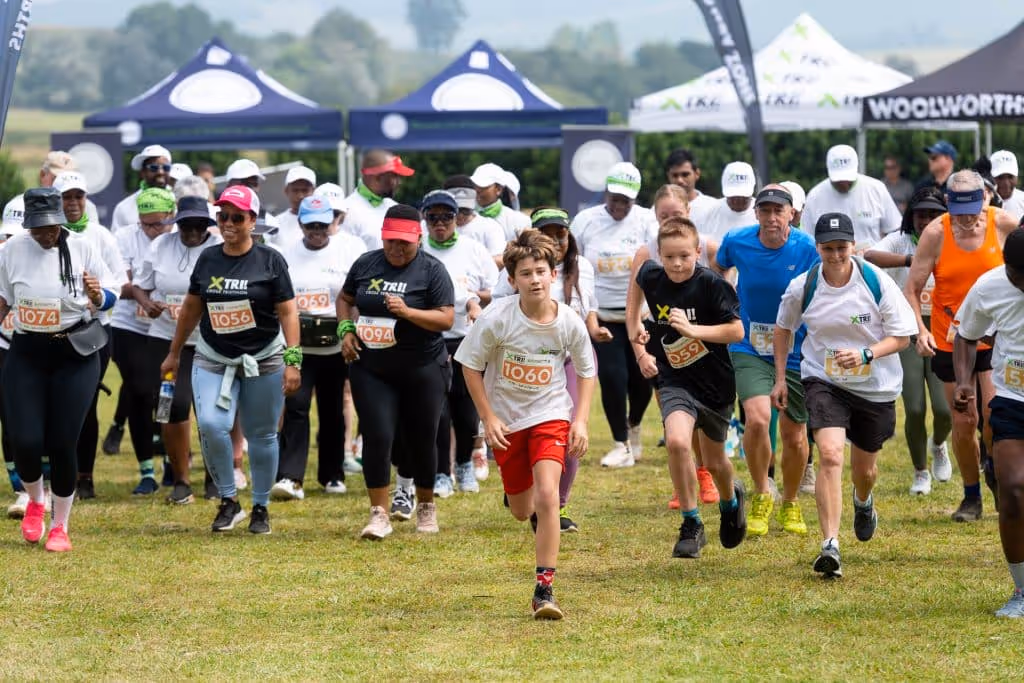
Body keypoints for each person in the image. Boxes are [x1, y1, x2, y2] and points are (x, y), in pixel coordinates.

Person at [456, 229, 596, 620]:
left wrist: (580, 421)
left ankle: (544, 589)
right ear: (513, 280)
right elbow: (469, 365)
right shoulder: (496, 318)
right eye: (525, 273)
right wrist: (488, 416)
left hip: (550, 414)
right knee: (522, 509)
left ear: (554, 274)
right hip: (507, 421)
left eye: (540, 271)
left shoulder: (568, 321)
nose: (534, 279)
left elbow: (586, 371)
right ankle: (519, 489)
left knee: (549, 497)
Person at [773, 212, 917, 578]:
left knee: (864, 471)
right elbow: (782, 329)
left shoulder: (876, 281)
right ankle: (830, 545)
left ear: (854, 247)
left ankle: (863, 500)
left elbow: (903, 336)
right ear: (818, 248)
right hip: (824, 380)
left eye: (842, 247)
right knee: (831, 454)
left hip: (875, 385)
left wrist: (867, 354)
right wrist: (778, 379)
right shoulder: (803, 285)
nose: (835, 255)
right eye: (827, 248)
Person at [161, 185, 301, 535]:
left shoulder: (271, 260)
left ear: (253, 221)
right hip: (212, 356)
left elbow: (288, 311)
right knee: (210, 425)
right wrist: (175, 352)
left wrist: (293, 358)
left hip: (264, 358)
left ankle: (261, 506)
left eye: (237, 217)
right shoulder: (208, 258)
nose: (228, 223)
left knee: (262, 435)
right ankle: (228, 500)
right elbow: (192, 307)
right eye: (223, 216)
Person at [0, 187, 119, 552]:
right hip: (26, 353)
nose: (46, 234)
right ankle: (36, 499)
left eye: (51, 227)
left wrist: (98, 295)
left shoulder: (83, 245)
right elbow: (4, 299)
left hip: (75, 353)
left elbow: (111, 294)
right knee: (25, 439)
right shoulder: (11, 250)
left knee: (63, 441)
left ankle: (60, 525)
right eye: (38, 228)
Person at [627, 217, 747, 559]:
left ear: (697, 251)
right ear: (660, 256)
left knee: (715, 460)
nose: (677, 264)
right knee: (678, 442)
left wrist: (695, 331)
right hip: (674, 378)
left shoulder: (712, 284)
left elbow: (737, 332)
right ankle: (691, 523)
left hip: (714, 383)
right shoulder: (652, 274)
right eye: (669, 257)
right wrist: (636, 324)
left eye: (684, 256)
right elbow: (637, 282)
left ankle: (730, 501)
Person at [904, 170, 1019, 521]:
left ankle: (997, 473)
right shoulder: (936, 234)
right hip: (951, 339)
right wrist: (919, 330)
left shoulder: (1003, 225)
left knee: (991, 420)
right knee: (964, 420)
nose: (967, 220)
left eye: (973, 212)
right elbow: (912, 288)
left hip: (995, 339)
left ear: (984, 200)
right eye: (959, 213)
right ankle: (971, 497)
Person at [338, 204, 454, 538]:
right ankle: (379, 514)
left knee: (422, 439)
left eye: (404, 242)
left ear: (418, 237)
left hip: (422, 367)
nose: (396, 249)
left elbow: (445, 318)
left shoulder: (432, 270)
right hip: (372, 367)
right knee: (377, 436)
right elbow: (345, 298)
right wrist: (346, 328)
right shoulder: (366, 264)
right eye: (390, 241)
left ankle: (426, 506)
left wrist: (408, 312)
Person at [714, 186, 820, 537]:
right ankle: (762, 491)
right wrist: (723, 303)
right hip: (748, 346)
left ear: (792, 213)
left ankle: (790, 502)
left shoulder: (807, 248)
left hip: (796, 349)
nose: (772, 218)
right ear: (756, 214)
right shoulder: (737, 241)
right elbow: (717, 270)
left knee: (794, 434)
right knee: (758, 419)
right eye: (765, 211)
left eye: (779, 211)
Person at [494, 208, 600, 531]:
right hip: (525, 360)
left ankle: (554, 505)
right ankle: (527, 488)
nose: (555, 240)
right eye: (547, 233)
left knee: (569, 434)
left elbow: (587, 308)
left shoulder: (582, 267)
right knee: (526, 436)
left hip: (568, 356)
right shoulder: (517, 271)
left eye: (561, 234)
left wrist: (595, 330)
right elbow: (497, 310)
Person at [625, 184, 720, 506]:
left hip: (707, 346)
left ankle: (707, 473)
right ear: (654, 216)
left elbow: (730, 292)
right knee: (676, 416)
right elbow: (633, 311)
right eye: (663, 216)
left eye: (676, 214)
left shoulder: (708, 248)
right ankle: (686, 480)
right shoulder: (645, 253)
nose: (669, 221)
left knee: (705, 420)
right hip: (664, 345)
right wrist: (640, 353)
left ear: (689, 212)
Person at [272, 196, 365, 501]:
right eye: (311, 224)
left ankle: (332, 475)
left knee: (332, 411)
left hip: (335, 345)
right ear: (300, 223)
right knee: (296, 406)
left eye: (323, 224)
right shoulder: (286, 254)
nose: (317, 230)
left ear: (332, 223)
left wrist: (350, 333)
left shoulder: (347, 251)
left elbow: (352, 298)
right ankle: (290, 477)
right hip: (300, 344)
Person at [132, 195, 223, 505]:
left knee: (212, 412)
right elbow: (139, 286)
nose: (193, 231)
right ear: (176, 223)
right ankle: (180, 479)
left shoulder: (219, 248)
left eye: (200, 225)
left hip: (212, 343)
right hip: (166, 342)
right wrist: (147, 304)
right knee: (170, 406)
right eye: (186, 224)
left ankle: (216, 478)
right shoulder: (160, 247)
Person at [953, 228, 1024, 617]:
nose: (1020, 284)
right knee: (1012, 491)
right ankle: (1021, 590)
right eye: (1015, 275)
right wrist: (964, 381)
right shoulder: (990, 286)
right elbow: (966, 335)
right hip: (1013, 398)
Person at [865, 187, 952, 494]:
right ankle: (920, 471)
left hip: (942, 330)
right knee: (914, 408)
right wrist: (908, 260)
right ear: (911, 216)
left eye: (933, 214)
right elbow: (870, 255)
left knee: (945, 409)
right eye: (921, 214)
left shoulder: (951, 239)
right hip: (908, 329)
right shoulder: (901, 239)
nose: (926, 220)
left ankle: (939, 444)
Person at [571, 162, 657, 468]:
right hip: (602, 314)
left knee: (642, 379)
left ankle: (634, 423)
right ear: (605, 192)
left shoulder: (647, 220)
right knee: (612, 377)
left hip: (641, 314)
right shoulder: (585, 221)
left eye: (626, 200)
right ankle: (620, 443)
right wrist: (582, 311)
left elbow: (657, 261)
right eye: (614, 197)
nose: (619, 205)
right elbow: (574, 264)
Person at [52, 171, 126, 500]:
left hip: (92, 331)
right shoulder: (43, 235)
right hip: (48, 331)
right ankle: (49, 470)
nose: (73, 203)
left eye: (78, 196)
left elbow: (118, 283)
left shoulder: (100, 236)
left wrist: (99, 298)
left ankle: (85, 475)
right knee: (48, 404)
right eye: (66, 197)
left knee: (87, 403)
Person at [419, 190, 496, 498]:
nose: (440, 223)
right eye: (433, 217)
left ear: (457, 218)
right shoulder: (419, 251)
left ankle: (464, 462)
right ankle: (441, 472)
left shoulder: (473, 250)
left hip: (467, 338)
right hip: (430, 339)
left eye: (447, 217)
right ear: (424, 219)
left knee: (465, 410)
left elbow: (495, 290)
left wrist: (473, 299)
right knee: (438, 411)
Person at [112, 188, 176, 495]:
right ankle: (146, 470)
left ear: (171, 216)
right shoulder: (124, 238)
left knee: (167, 396)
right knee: (139, 392)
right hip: (130, 325)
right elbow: (120, 283)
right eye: (146, 225)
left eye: (158, 225)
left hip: (168, 327)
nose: (152, 231)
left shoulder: (178, 237)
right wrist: (144, 296)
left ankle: (170, 459)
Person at [801, 145, 903, 253]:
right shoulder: (814, 196)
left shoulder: (876, 189)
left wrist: (881, 249)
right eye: (838, 179)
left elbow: (895, 230)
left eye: (847, 177)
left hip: (872, 264)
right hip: (830, 265)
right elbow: (807, 241)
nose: (843, 182)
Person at [342, 150, 415, 251]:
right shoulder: (347, 211)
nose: (399, 182)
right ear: (378, 178)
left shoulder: (395, 208)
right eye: (394, 176)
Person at [442, 175, 507, 267]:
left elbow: (500, 260)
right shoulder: (432, 227)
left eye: (465, 210)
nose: (460, 215)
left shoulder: (490, 227)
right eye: (455, 210)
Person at [111, 145, 172, 233]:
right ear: (142, 172)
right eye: (153, 167)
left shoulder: (179, 202)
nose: (160, 172)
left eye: (166, 168)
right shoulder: (124, 208)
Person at [470, 163, 530, 241]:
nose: (477, 190)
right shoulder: (462, 218)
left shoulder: (520, 221)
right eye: (475, 185)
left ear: (498, 189)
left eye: (483, 186)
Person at [700, 162, 756, 244]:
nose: (738, 200)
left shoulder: (764, 212)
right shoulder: (711, 213)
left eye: (743, 195)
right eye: (733, 195)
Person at [664, 148, 717, 229]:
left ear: (697, 174)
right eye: (675, 175)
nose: (679, 180)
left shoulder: (713, 207)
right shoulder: (659, 208)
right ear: (668, 176)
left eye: (685, 174)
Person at [272, 166, 316, 247]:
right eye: (295, 190)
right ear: (286, 191)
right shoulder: (275, 223)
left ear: (313, 191)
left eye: (305, 190)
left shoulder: (324, 223)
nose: (300, 196)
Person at [990, 150, 1024, 220]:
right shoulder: (983, 203)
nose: (1006, 183)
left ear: (1017, 177)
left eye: (1010, 177)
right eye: (1000, 177)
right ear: (991, 177)